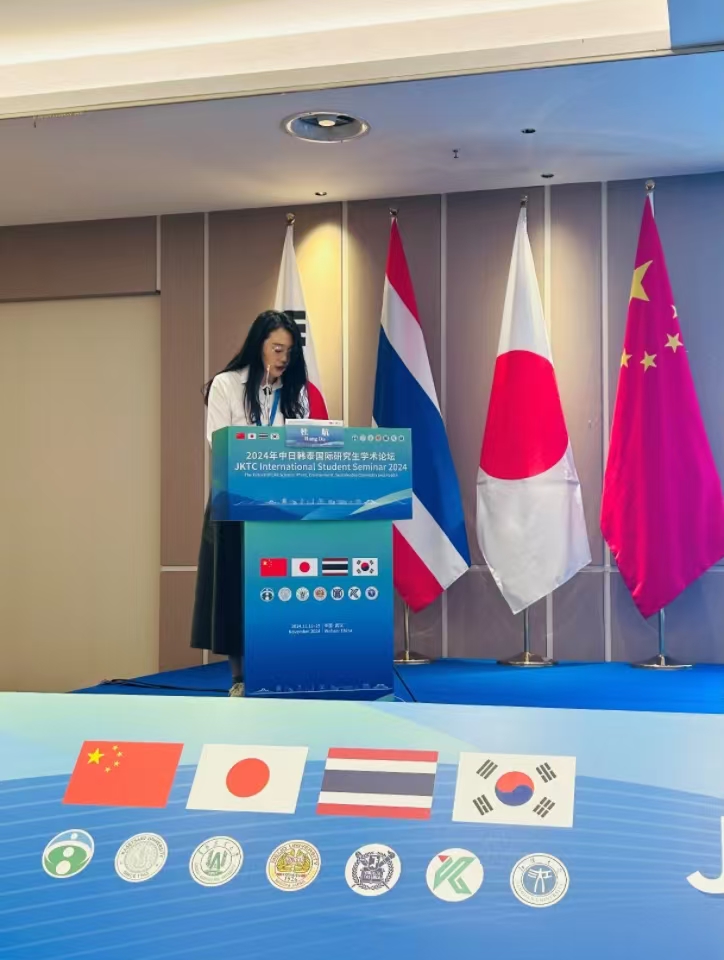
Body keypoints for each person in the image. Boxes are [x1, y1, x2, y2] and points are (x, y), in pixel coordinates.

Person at [191, 310, 309, 696]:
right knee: (235, 590)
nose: (283, 358)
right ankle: (239, 678)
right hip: (236, 502)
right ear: (259, 345)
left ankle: (282, 670)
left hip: (281, 505)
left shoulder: (295, 392)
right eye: (277, 349)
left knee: (282, 589)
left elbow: (302, 447)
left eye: (289, 351)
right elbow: (219, 443)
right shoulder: (226, 385)